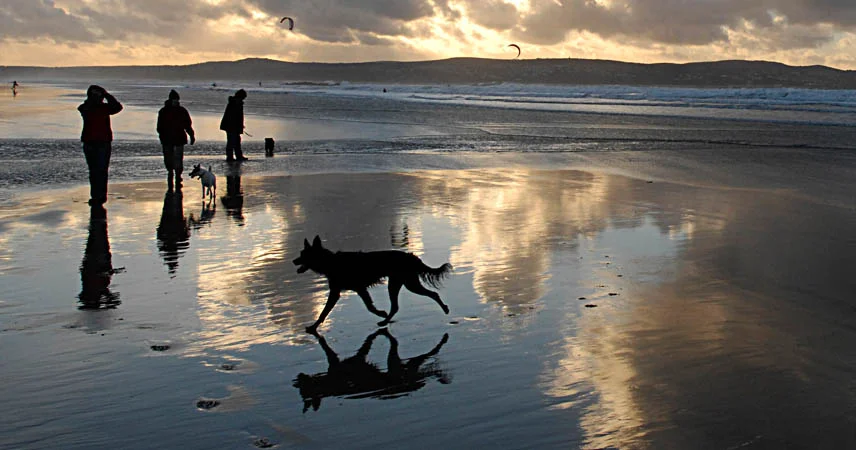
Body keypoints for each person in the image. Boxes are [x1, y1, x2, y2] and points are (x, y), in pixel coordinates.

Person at [78, 85, 122, 205]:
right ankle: (97, 195)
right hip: (91, 142)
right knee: (95, 170)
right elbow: (84, 109)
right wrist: (104, 95)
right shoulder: (86, 107)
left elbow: (118, 107)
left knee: (101, 170)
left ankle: (100, 196)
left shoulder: (104, 108)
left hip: (102, 142)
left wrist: (107, 94)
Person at [156, 89, 195, 190]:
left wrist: (191, 135)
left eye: (177, 100)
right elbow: (159, 127)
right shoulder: (163, 111)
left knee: (178, 158)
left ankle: (178, 175)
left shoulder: (182, 111)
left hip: (179, 138)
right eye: (174, 100)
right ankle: (170, 173)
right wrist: (162, 136)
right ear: (170, 100)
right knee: (168, 158)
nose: (176, 102)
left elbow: (188, 125)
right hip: (167, 139)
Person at [219, 89, 248, 162]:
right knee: (231, 142)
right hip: (231, 126)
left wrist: (241, 125)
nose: (244, 99)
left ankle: (238, 156)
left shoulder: (235, 102)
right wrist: (238, 125)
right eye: (243, 97)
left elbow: (238, 117)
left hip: (232, 126)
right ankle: (230, 157)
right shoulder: (235, 103)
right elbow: (233, 116)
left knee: (236, 141)